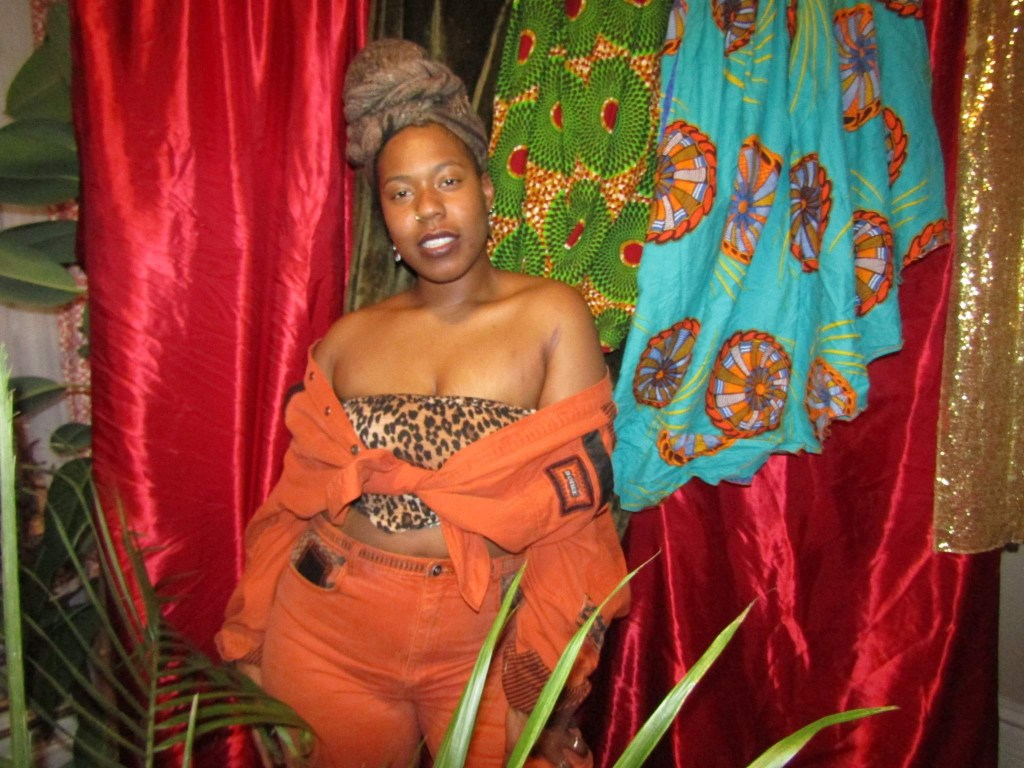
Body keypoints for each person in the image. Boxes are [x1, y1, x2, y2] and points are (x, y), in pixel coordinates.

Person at [216, 39, 628, 768]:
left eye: (448, 181)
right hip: (326, 629)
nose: (428, 210)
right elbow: (294, 504)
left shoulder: (553, 318)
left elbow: (575, 520)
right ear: (384, 216)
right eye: (401, 194)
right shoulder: (346, 341)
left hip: (486, 637)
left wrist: (543, 687)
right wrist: (249, 640)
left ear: (487, 191)